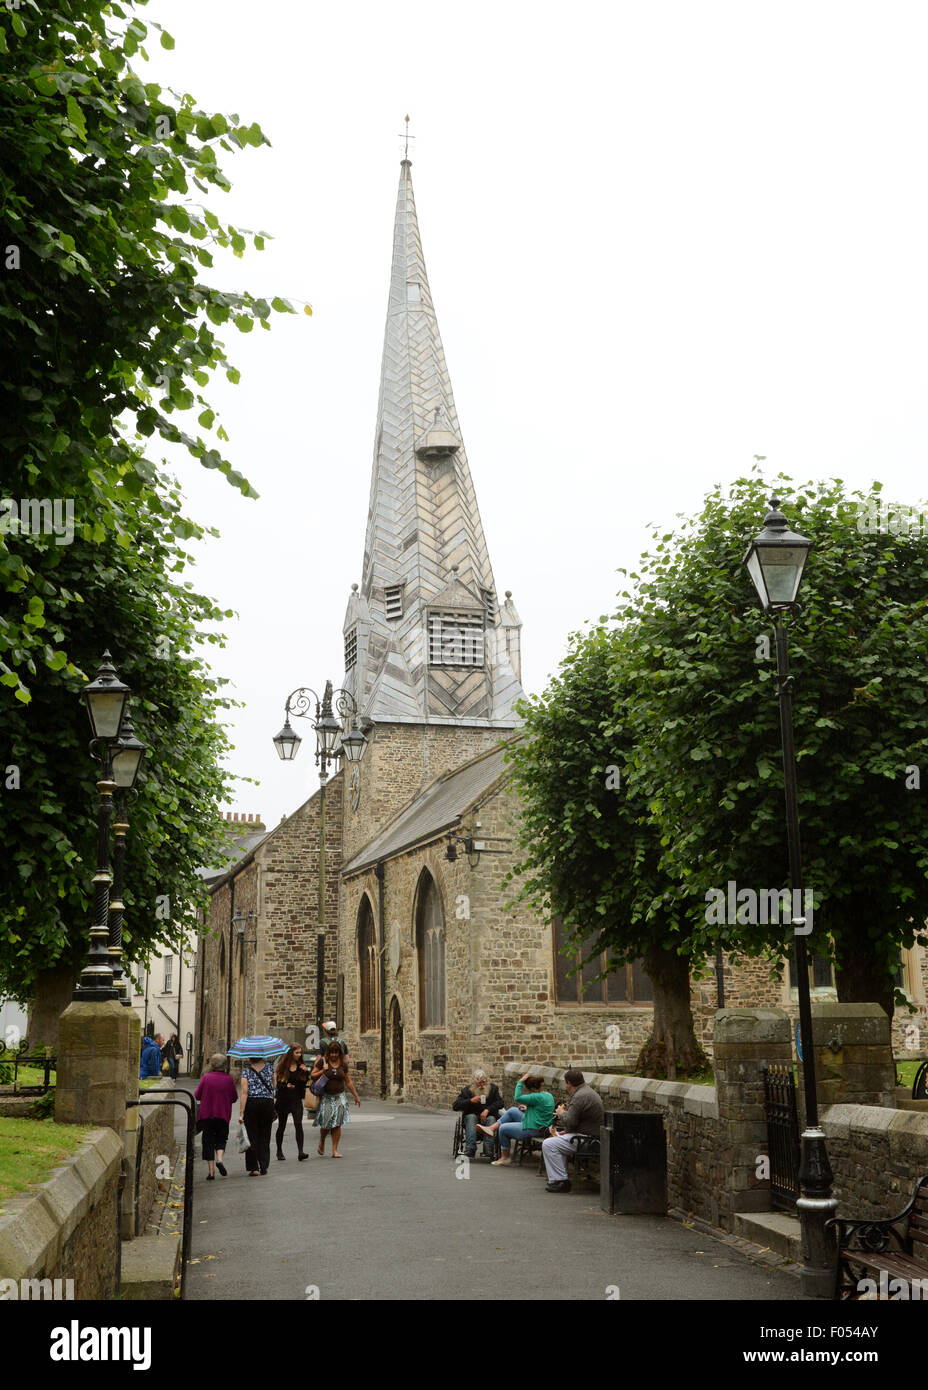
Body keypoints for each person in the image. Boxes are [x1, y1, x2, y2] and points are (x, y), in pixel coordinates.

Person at [541, 1068, 605, 1192]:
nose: (566, 1086)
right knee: (557, 1141)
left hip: (588, 1141)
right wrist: (568, 1131)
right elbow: (576, 1123)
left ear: (569, 1083)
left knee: (549, 1144)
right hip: (591, 1137)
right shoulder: (587, 1092)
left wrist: (561, 1113)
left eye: (566, 1084)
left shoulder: (580, 1096)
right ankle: (559, 1179)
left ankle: (560, 1181)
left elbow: (571, 1121)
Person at [477, 1072, 555, 1166]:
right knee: (513, 1110)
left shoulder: (536, 1096)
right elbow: (541, 1110)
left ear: (531, 1089)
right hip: (539, 1124)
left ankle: (505, 1158)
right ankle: (491, 1128)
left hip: (533, 1128)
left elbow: (517, 1097)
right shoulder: (548, 1095)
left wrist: (520, 1082)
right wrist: (528, 1109)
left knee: (503, 1128)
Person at [310, 1041, 360, 1157]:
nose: (334, 1055)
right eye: (332, 1053)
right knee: (326, 1124)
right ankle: (322, 1141)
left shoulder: (343, 1064)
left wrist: (356, 1096)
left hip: (340, 1096)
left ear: (339, 1053)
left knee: (337, 1124)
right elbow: (312, 1075)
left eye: (336, 1053)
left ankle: (334, 1150)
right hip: (327, 1097)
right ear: (328, 1053)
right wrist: (323, 1070)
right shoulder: (323, 1061)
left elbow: (348, 1081)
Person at [194, 1054, 238, 1180]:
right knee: (221, 1138)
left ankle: (211, 1171)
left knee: (207, 1141)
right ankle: (219, 1159)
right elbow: (234, 1098)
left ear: (212, 1065)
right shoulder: (229, 1079)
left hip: (207, 1115)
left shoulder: (206, 1078)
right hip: (223, 1115)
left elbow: (197, 1095)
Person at [451, 1068, 504, 1158]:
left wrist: (487, 1110)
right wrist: (470, 1101)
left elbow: (500, 1103)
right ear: (474, 1083)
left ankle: (488, 1149)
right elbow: (455, 1106)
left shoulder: (493, 1089)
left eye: (484, 1082)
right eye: (480, 1083)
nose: (482, 1085)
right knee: (471, 1117)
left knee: (491, 1118)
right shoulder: (466, 1091)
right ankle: (470, 1148)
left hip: (488, 1117)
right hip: (472, 1120)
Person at [238, 1056, 277, 1175]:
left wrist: (241, 1112)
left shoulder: (246, 1072)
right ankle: (264, 1165)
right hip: (267, 1103)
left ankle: (254, 1167)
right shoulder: (271, 1069)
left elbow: (244, 1093)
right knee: (265, 1134)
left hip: (252, 1103)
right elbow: (274, 1087)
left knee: (251, 1134)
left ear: (250, 1058)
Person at [275, 1044, 310, 1161]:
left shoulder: (301, 1067)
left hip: (296, 1100)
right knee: (282, 1126)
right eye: (297, 1053)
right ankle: (279, 1151)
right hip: (283, 1100)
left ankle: (301, 1151)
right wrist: (286, 1085)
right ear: (291, 1053)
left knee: (298, 1124)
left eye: (300, 1053)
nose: (299, 1055)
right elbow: (278, 1085)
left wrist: (306, 1073)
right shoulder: (282, 1067)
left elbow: (303, 1084)